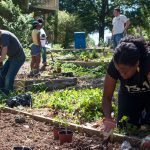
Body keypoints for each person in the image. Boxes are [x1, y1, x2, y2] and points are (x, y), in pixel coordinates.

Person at [101, 35, 150, 132]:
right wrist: (108, 119)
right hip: (128, 94)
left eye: (126, 71)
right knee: (124, 126)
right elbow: (106, 97)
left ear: (137, 64)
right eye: (119, 71)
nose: (122, 75)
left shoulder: (147, 62)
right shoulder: (115, 64)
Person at [0, 30, 26, 95]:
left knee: (9, 77)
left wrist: (1, 59)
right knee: (2, 73)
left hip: (18, 57)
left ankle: (9, 94)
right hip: (11, 57)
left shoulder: (4, 35)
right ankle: (3, 91)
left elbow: (4, 50)